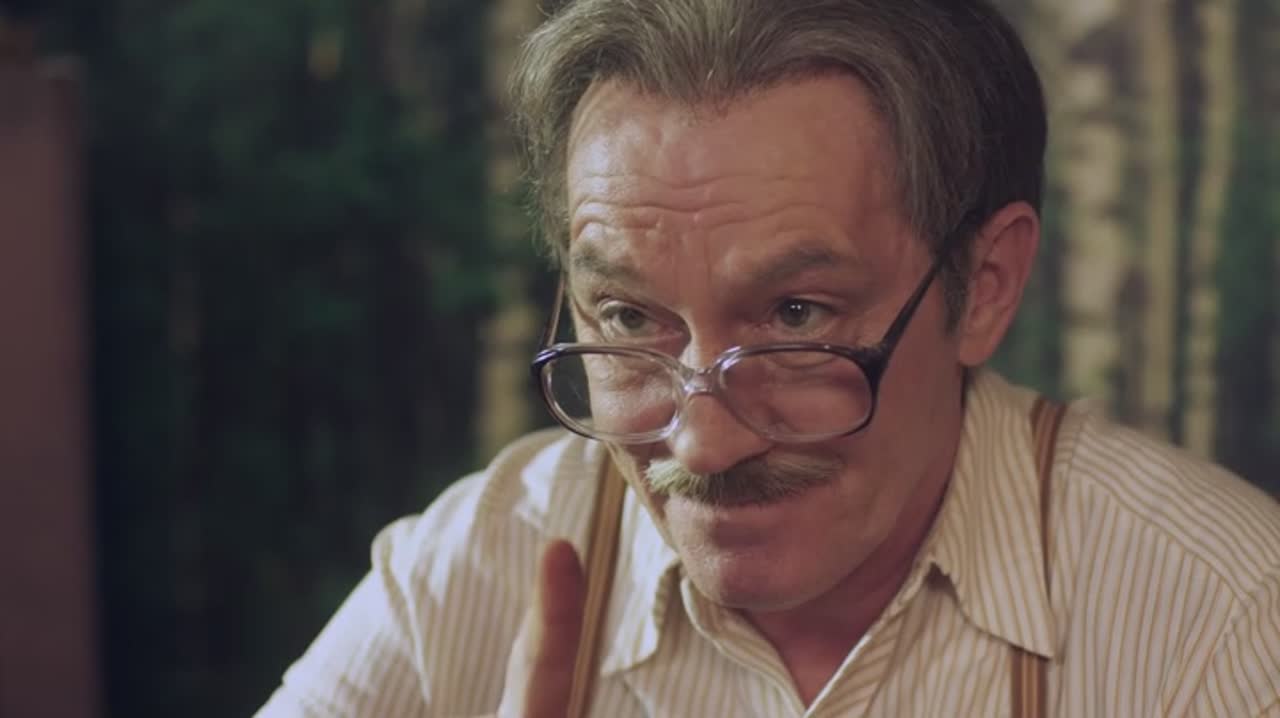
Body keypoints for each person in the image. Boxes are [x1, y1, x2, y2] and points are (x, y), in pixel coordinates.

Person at [258, 1, 1280, 716]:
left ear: (986, 284)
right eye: (628, 318)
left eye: (795, 316)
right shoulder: (464, 575)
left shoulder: (1223, 620)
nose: (702, 442)